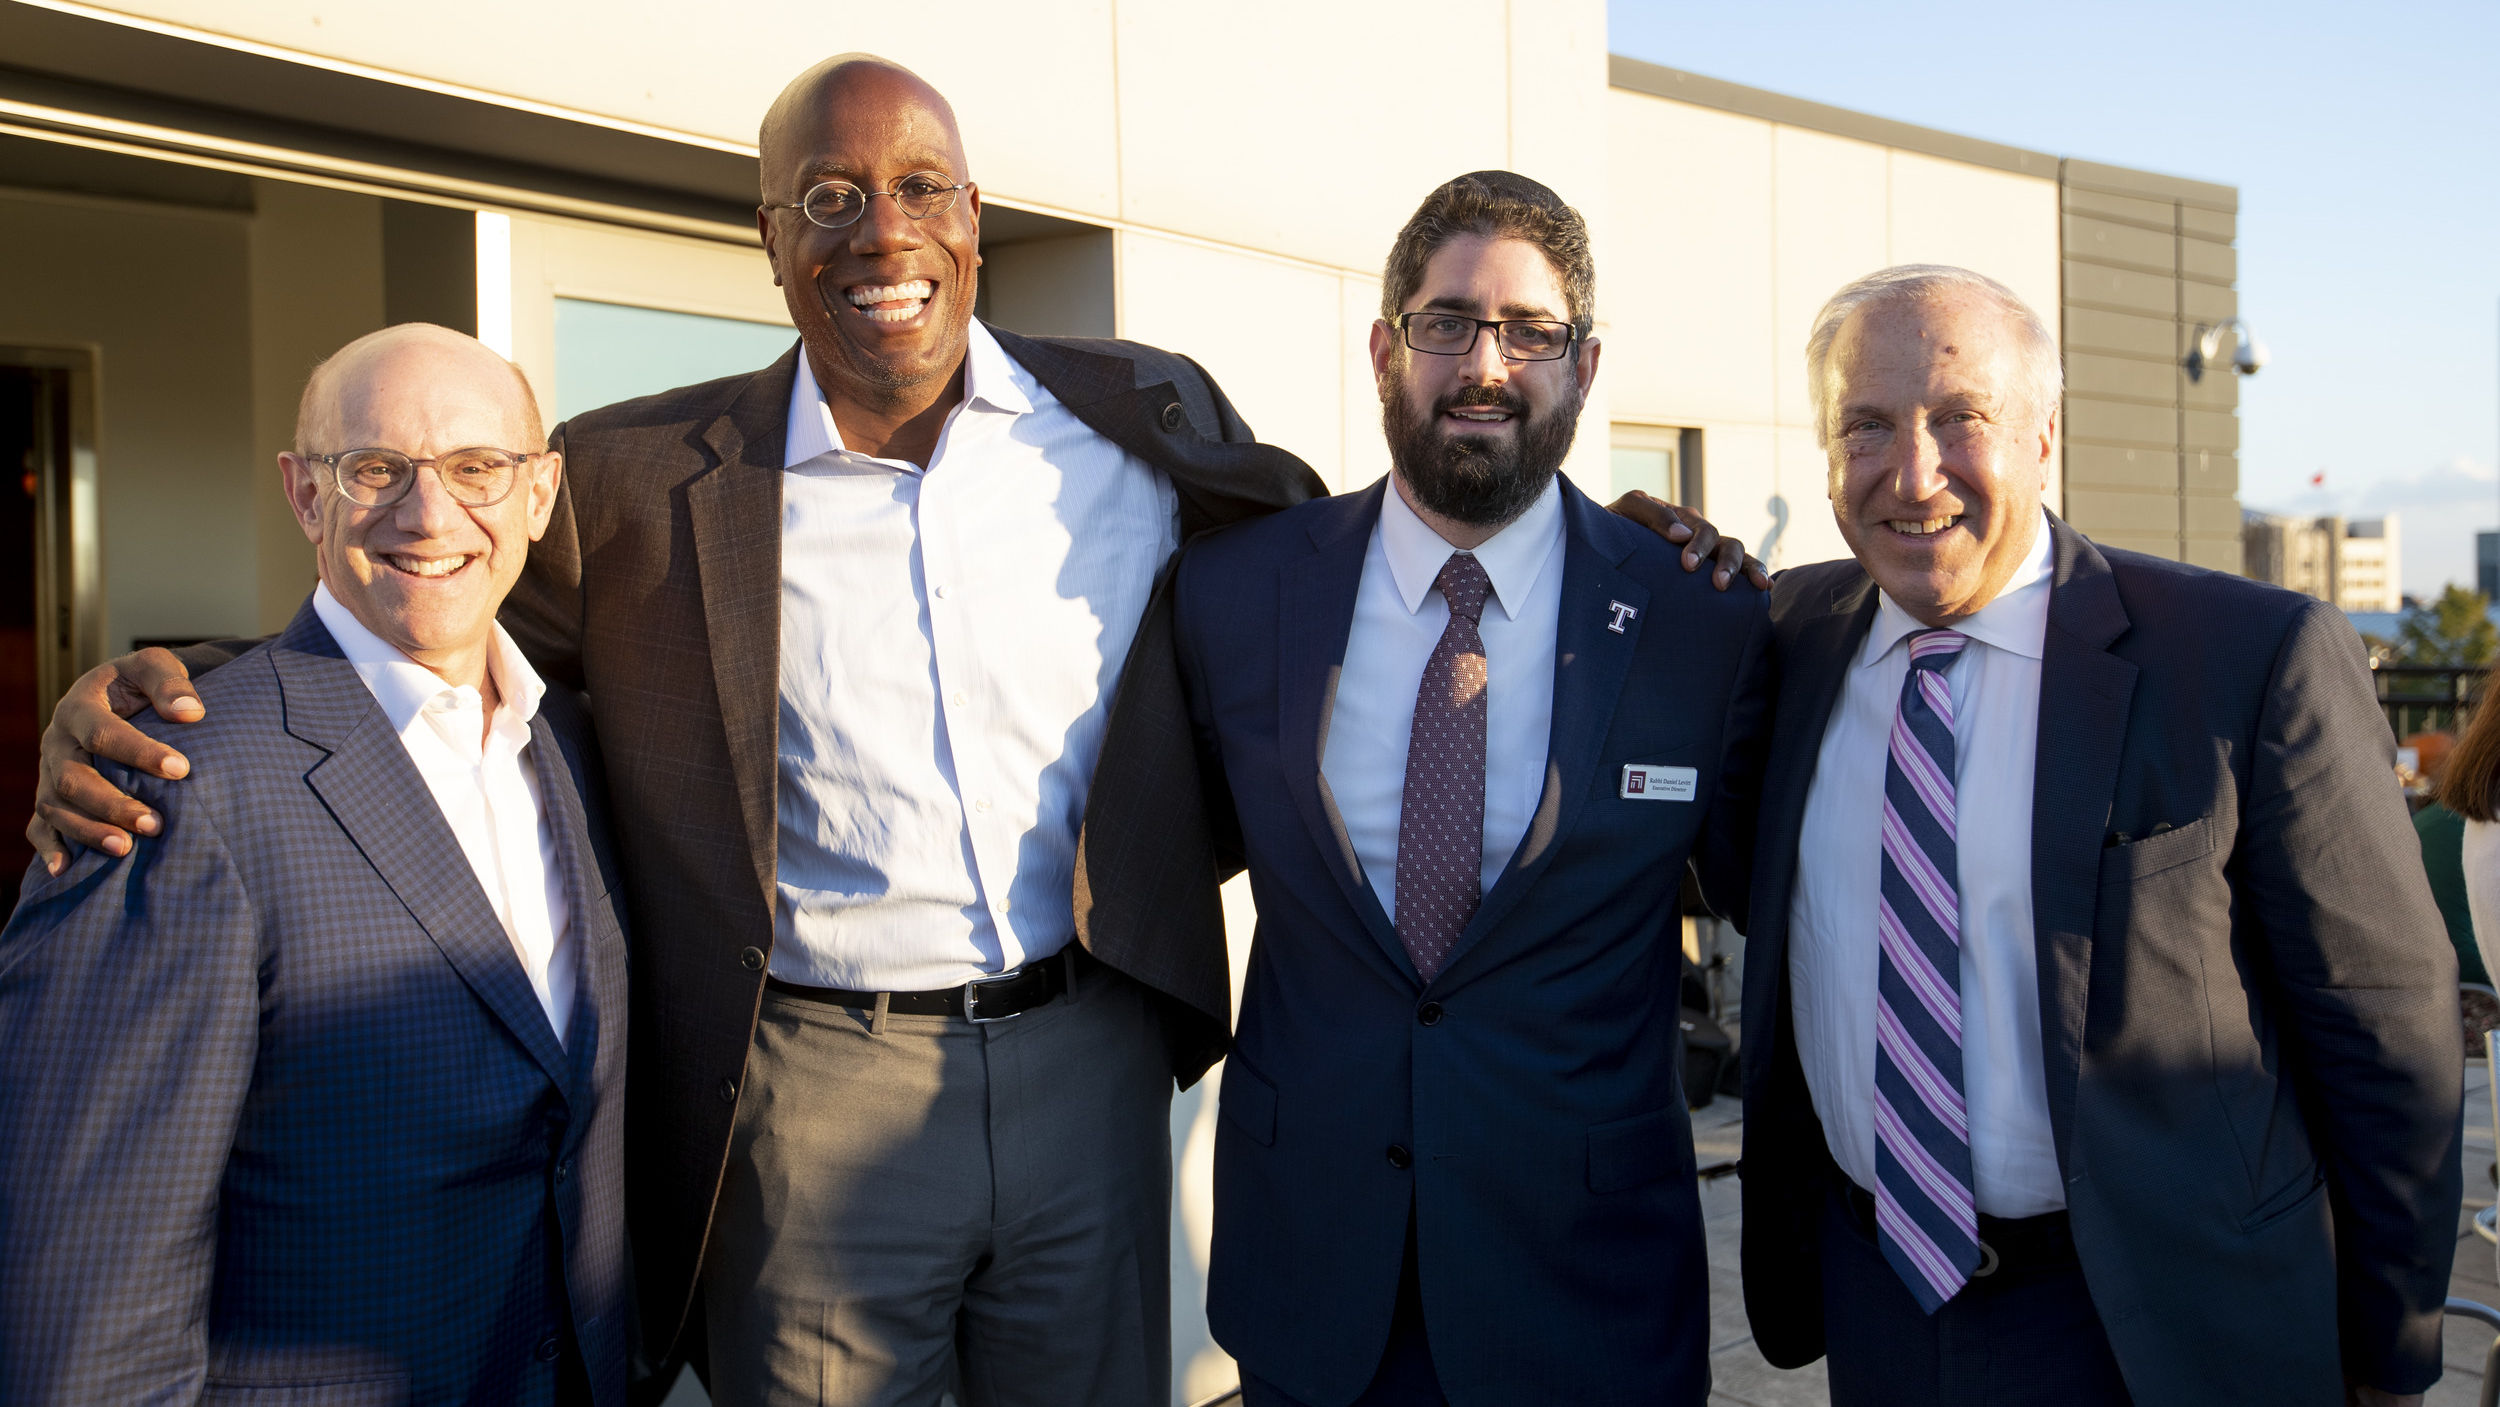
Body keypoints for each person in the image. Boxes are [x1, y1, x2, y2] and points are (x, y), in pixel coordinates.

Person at [23, 55, 1760, 1407]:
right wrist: (174, 682)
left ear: (976, 214)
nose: (882, 234)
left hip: (1087, 1061)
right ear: (771, 235)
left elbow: (1371, 562)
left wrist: (1635, 536)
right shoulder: (639, 484)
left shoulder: (1142, 420)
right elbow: (428, 591)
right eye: (828, 198)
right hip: (811, 1083)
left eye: (919, 187)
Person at [1735, 265, 2461, 1407]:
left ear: (2042, 437)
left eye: (1959, 418)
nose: (1912, 475)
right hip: (1880, 1302)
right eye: (1866, 426)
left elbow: (2383, 1028)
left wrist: (2388, 1354)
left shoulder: (2243, 661)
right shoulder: (1781, 639)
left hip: (2162, 1327)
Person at [1173, 170, 1771, 1406]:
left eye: (1530, 333)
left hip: (1587, 1288)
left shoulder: (1697, 619)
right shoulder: (1235, 593)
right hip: (1315, 1276)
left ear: (1584, 368)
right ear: (1386, 349)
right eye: (1446, 323)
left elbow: (1783, 890)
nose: (1484, 364)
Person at [0, 325, 630, 1404]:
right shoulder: (170, 782)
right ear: (304, 496)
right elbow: (87, 1270)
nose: (430, 515)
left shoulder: (576, 741)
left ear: (537, 494)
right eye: (373, 468)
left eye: (478, 467)